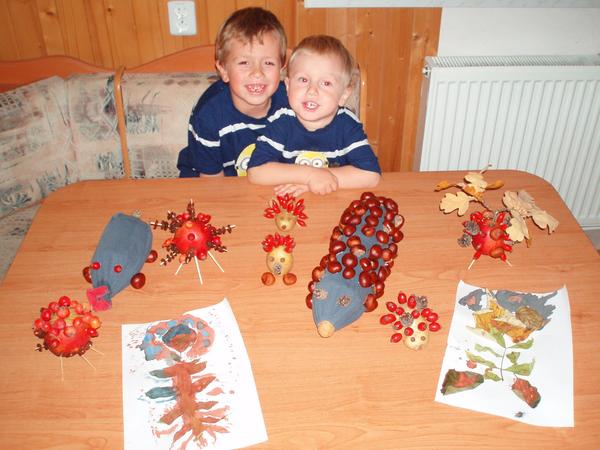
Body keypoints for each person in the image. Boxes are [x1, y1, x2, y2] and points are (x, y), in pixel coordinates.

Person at [247, 35, 381, 196]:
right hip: (289, 202)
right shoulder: (281, 121)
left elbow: (371, 175)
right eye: (303, 80)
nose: (312, 91)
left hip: (333, 201)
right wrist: (310, 176)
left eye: (326, 83)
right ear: (288, 87)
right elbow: (256, 171)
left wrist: (319, 179)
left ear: (344, 95)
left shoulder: (347, 125)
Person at [177, 7, 288, 177]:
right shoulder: (208, 115)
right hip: (210, 181)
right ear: (224, 70)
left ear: (281, 68)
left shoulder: (292, 103)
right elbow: (211, 183)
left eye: (268, 63)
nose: (257, 73)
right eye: (244, 63)